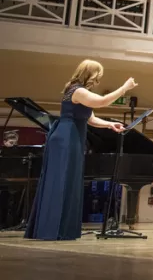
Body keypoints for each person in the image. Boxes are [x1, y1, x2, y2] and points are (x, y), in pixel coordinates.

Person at [25, 61, 135, 241]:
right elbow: (101, 102)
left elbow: (90, 118)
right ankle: (54, 229)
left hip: (72, 136)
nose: (99, 79)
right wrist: (124, 88)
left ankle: (60, 228)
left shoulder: (79, 92)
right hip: (66, 138)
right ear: (91, 75)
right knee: (62, 180)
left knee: (68, 180)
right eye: (98, 75)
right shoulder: (78, 91)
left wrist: (109, 124)